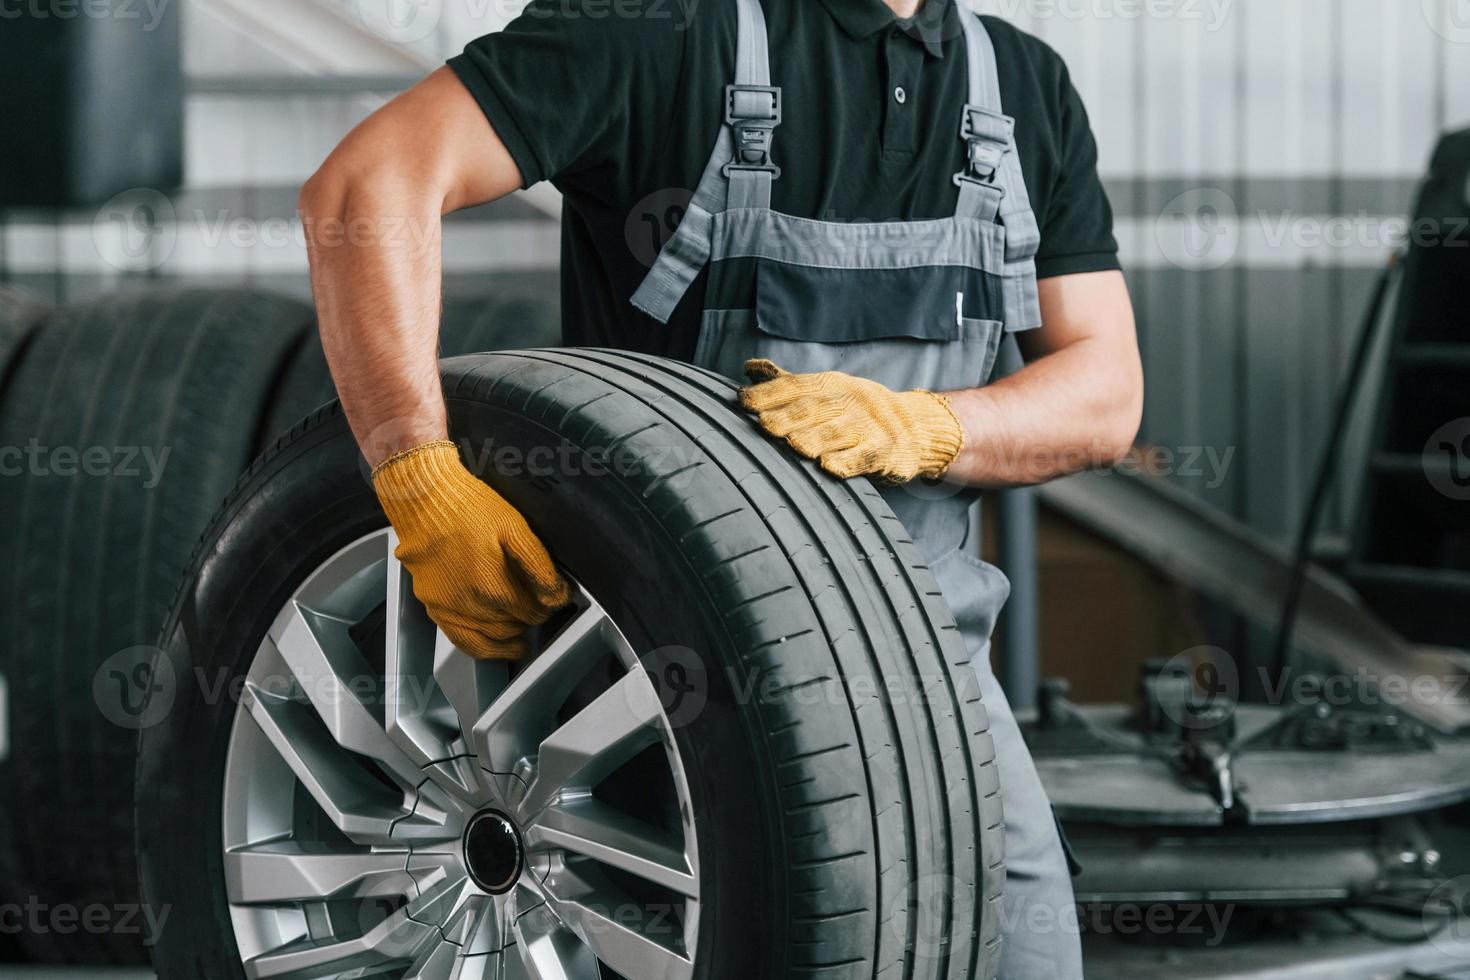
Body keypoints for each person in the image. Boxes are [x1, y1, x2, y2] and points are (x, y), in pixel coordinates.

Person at [300, 0, 1143, 974]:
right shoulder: (653, 29)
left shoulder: (1019, 86)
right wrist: (417, 468)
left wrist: (930, 425)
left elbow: (1105, 390)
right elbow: (366, 185)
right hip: (663, 704)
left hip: (938, 698)